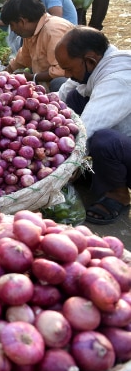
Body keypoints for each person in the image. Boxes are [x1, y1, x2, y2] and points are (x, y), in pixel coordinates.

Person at [54, 26, 131, 225]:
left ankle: (118, 193)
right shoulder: (101, 63)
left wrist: (62, 165)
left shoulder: (119, 79)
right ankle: (97, 171)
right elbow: (64, 93)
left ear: (90, 60)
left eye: (69, 68)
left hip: (122, 143)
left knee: (103, 140)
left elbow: (87, 128)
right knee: (74, 96)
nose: (66, 73)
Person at [1, 0, 75, 91]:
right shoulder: (30, 32)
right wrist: (2, 75)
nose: (12, 30)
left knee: (59, 82)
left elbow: (61, 71)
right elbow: (22, 59)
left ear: (22, 21)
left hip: (73, 81)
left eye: (12, 25)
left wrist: (32, 77)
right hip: (45, 79)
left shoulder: (53, 31)